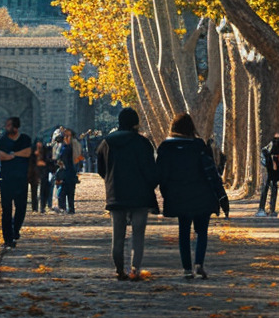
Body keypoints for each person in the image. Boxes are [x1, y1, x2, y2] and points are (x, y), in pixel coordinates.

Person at [156, 112, 229, 279]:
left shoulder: (166, 147)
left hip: (179, 197)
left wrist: (165, 193)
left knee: (184, 231)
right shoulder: (199, 146)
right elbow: (211, 173)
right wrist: (221, 196)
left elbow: (161, 174)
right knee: (201, 231)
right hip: (202, 196)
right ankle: (199, 264)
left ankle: (187, 269)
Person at [97, 107, 158, 281]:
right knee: (138, 235)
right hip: (140, 195)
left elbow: (101, 169)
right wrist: (151, 185)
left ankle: (119, 270)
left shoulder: (106, 143)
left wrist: (110, 181)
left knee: (118, 235)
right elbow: (150, 169)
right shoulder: (143, 143)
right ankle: (135, 270)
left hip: (116, 193)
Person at [0, 116, 33, 247]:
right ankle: (8, 239)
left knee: (21, 208)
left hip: (21, 179)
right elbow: (1, 156)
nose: (6, 127)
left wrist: (12, 155)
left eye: (9, 125)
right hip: (6, 179)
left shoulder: (25, 139)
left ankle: (15, 229)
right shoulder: (2, 141)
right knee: (6, 209)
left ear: (15, 127)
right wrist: (15, 155)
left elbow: (28, 153)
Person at [257, 133, 279, 217]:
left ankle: (272, 209)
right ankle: (262, 209)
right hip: (268, 166)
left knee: (273, 187)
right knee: (266, 187)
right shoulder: (272, 148)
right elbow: (269, 158)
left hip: (275, 168)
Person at [54, 127, 81, 213]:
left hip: (71, 171)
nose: (66, 137)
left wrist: (76, 164)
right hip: (62, 171)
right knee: (61, 191)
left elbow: (80, 156)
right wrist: (58, 163)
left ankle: (71, 208)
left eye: (68, 136)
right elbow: (56, 156)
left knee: (70, 191)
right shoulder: (61, 146)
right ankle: (62, 208)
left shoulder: (75, 144)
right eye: (65, 136)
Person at [28, 139, 51, 213]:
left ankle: (42, 207)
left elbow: (48, 161)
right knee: (34, 192)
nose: (39, 145)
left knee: (43, 191)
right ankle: (34, 208)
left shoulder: (45, 150)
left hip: (43, 172)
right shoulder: (32, 151)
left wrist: (44, 163)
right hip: (33, 175)